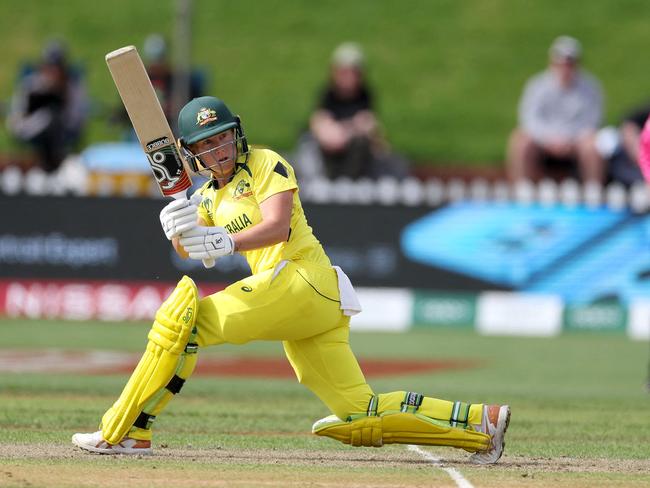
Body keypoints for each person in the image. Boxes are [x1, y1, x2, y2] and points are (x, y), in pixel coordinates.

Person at [71, 96, 509, 463]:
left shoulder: (267, 163)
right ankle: (479, 424)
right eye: (207, 142)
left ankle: (127, 430)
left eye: (223, 136)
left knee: (184, 323)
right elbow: (194, 251)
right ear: (191, 152)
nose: (219, 148)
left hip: (302, 279)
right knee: (360, 412)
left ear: (236, 134)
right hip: (304, 305)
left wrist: (224, 240)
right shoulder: (204, 196)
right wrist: (179, 229)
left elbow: (277, 227)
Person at [295, 42, 408, 182]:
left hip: (353, 154)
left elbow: (370, 125)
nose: (348, 78)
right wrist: (348, 128)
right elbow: (324, 128)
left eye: (353, 73)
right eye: (344, 72)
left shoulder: (365, 95)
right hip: (327, 155)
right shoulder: (328, 95)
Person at [506, 36, 604, 184]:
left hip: (576, 141)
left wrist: (568, 140)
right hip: (543, 140)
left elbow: (592, 120)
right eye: (561, 63)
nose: (565, 68)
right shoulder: (537, 85)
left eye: (569, 63)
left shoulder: (591, 87)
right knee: (520, 141)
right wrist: (549, 139)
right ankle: (522, 189)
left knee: (593, 144)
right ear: (552, 63)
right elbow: (529, 118)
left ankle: (593, 189)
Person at [6, 40, 89, 172]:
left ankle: (54, 167)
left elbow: (75, 119)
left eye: (57, 68)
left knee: (52, 119)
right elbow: (17, 120)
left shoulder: (72, 87)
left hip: (63, 132)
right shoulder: (31, 84)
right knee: (48, 118)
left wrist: (59, 97)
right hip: (32, 130)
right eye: (50, 67)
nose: (53, 72)